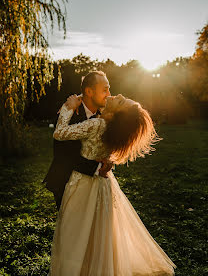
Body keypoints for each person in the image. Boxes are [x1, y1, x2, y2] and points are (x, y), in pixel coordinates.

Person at [48, 94, 176, 275]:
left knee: (76, 232)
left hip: (83, 186)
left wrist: (68, 108)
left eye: (121, 101)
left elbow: (59, 133)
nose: (119, 95)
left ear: (118, 115)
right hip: (103, 187)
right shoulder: (111, 130)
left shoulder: (97, 124)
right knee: (100, 234)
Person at [42, 71, 112, 210]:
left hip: (94, 184)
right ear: (89, 91)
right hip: (65, 181)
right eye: (105, 90)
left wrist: (108, 160)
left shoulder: (104, 116)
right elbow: (64, 154)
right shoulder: (68, 111)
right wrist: (97, 167)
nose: (109, 94)